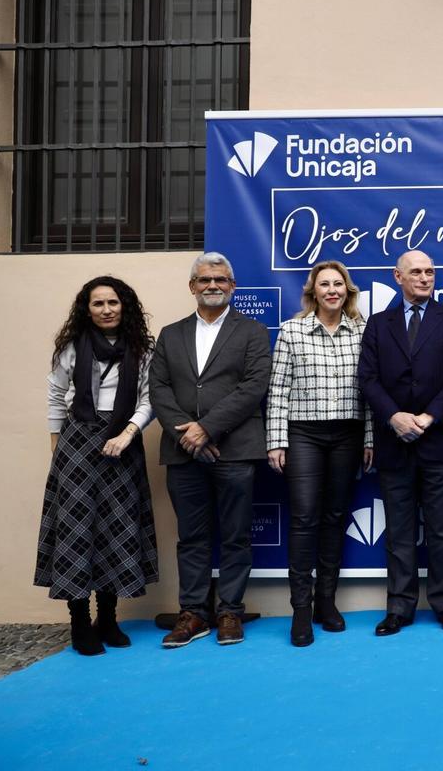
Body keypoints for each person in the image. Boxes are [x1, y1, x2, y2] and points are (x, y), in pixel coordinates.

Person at [149, 252, 271, 648]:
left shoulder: (252, 331)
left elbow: (254, 386)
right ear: (192, 287)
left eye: (220, 280)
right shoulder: (170, 334)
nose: (213, 286)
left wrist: (207, 428)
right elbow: (159, 389)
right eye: (204, 280)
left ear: (232, 287)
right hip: (183, 451)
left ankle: (230, 612)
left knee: (236, 536)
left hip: (234, 450)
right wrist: (188, 434)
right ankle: (194, 613)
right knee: (192, 538)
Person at [36, 276, 159, 656]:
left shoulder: (143, 348)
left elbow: (149, 398)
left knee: (116, 528)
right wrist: (58, 450)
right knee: (76, 531)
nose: (106, 310)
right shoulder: (71, 347)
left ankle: (108, 618)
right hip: (77, 444)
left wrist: (127, 434)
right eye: (98, 304)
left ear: (125, 306)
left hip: (123, 442)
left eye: (113, 303)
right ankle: (79, 623)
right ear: (86, 309)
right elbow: (56, 396)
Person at [358, 250, 443, 635]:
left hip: (441, 442)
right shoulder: (377, 325)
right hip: (395, 444)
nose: (425, 278)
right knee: (399, 532)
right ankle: (400, 608)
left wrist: (427, 417)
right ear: (398, 277)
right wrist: (394, 417)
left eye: (430, 272)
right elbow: (368, 379)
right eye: (416, 272)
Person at [267, 261, 374, 646]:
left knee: (334, 517)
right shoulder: (292, 330)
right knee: (304, 518)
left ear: (348, 290)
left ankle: (326, 604)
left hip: (347, 434)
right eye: (324, 284)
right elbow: (278, 389)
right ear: (313, 291)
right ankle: (300, 609)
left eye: (338, 284)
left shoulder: (364, 331)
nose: (332, 290)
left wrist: (370, 438)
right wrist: (276, 440)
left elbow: (370, 391)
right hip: (304, 434)